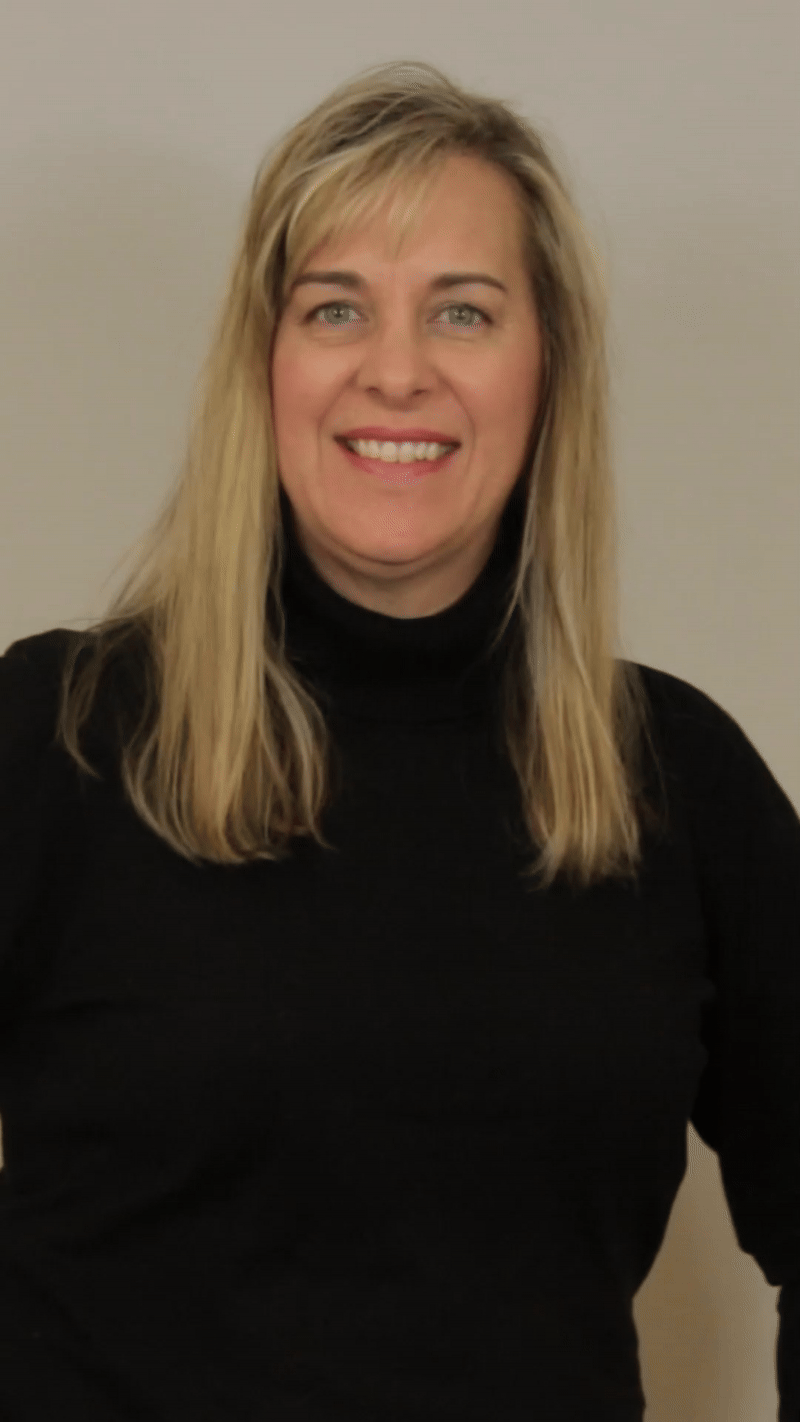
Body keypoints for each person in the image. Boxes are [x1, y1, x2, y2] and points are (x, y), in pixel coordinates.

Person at [0, 57, 797, 1422]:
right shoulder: (55, 739)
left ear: (548, 367)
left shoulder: (677, 778)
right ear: (267, 363)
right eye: (335, 306)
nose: (397, 369)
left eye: (465, 311)